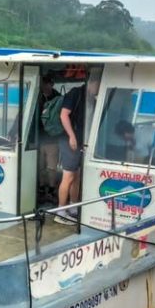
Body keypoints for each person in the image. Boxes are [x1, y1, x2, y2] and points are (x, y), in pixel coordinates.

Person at [56, 75, 101, 224]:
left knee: (77, 176)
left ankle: (73, 207)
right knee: (68, 176)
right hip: (69, 140)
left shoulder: (92, 100)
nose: (98, 90)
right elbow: (64, 115)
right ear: (91, 82)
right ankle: (60, 212)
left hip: (81, 142)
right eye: (98, 85)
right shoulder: (75, 93)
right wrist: (72, 136)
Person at [37, 75, 61, 203]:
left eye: (48, 83)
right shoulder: (36, 96)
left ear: (51, 84)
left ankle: (51, 191)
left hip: (52, 139)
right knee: (41, 167)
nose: (45, 86)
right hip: (38, 138)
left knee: (52, 168)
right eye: (43, 83)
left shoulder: (58, 99)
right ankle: (41, 190)